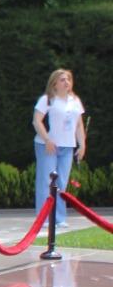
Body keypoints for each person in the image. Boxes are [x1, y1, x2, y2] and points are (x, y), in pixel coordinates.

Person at [33, 68, 87, 225]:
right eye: (62, 80)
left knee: (62, 182)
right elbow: (37, 121)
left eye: (68, 79)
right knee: (47, 181)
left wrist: (82, 145)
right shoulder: (47, 99)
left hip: (67, 146)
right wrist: (47, 139)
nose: (66, 82)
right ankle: (44, 218)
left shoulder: (75, 101)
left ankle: (59, 218)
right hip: (47, 146)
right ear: (54, 83)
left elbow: (79, 125)